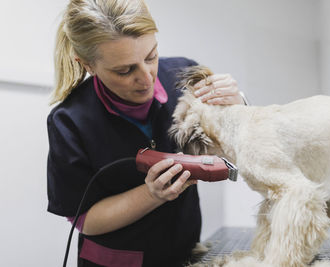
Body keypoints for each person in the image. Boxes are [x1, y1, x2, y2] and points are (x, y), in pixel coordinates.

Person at [46, 0, 245, 266]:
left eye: (151, 56)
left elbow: (234, 143)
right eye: (125, 70)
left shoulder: (183, 76)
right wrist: (151, 195)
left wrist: (239, 105)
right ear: (87, 65)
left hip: (184, 254)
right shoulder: (69, 122)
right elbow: (84, 220)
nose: (147, 77)